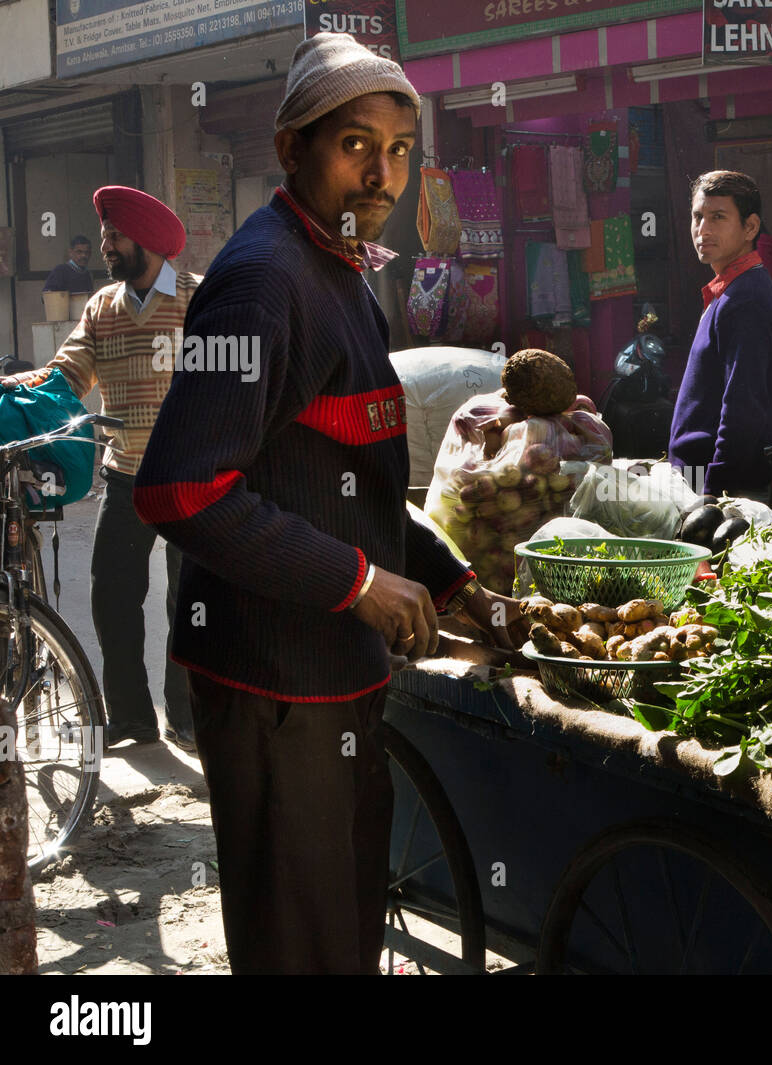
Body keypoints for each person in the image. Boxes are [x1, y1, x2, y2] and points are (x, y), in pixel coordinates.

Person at [133, 32, 523, 975]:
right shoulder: (264, 282)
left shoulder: (349, 275)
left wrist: (456, 582)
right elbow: (181, 489)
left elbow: (364, 480)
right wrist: (357, 583)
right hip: (273, 685)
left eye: (398, 150)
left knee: (342, 937)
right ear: (292, 149)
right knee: (299, 949)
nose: (381, 173)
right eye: (355, 145)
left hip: (341, 677)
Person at [3, 189, 197, 753]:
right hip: (126, 475)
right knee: (112, 597)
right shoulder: (102, 306)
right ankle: (133, 719)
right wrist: (14, 386)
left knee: (188, 601)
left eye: (115, 237)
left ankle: (184, 718)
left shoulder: (198, 300)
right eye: (106, 236)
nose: (105, 246)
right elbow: (66, 375)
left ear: (149, 242)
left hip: (189, 479)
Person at [667, 170, 772, 499]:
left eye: (718, 217)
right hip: (700, 482)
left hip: (724, 492)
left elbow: (742, 407)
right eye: (698, 217)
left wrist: (714, 493)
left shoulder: (745, 300)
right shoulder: (730, 292)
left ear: (750, 227)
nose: (702, 230)